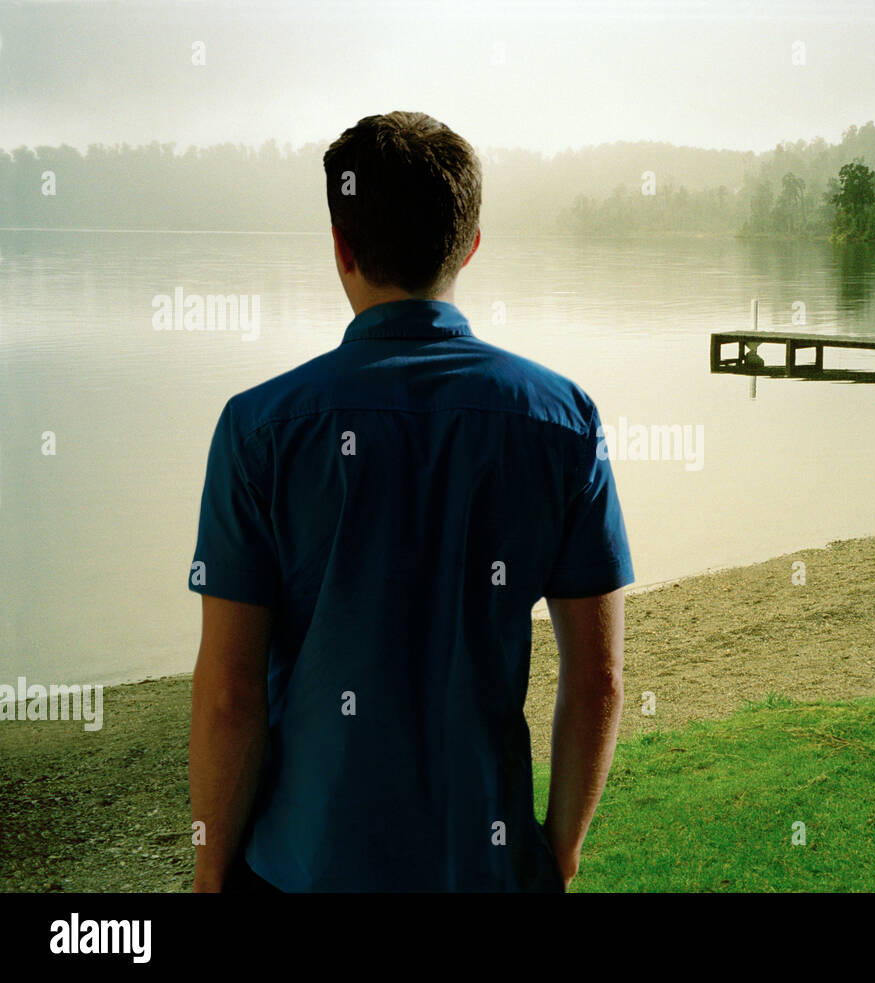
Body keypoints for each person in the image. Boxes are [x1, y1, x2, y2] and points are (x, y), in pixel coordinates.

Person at [187, 111, 633, 892]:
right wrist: (557, 854)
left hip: (305, 863)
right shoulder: (564, 421)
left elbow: (229, 692)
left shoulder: (259, 430)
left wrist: (210, 873)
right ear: (469, 246)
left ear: (340, 246)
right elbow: (598, 679)